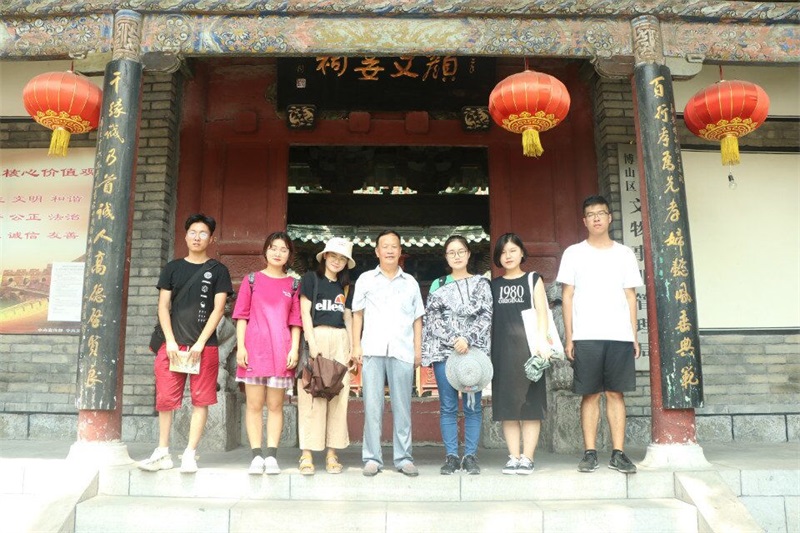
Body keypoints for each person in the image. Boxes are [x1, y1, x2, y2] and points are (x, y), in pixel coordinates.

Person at [138, 213, 233, 473]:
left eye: (203, 233)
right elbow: (163, 306)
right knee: (165, 399)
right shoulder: (172, 268)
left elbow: (218, 309)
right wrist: (170, 341)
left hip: (205, 346)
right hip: (172, 345)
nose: (197, 237)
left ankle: (190, 453)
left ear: (211, 239)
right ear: (185, 235)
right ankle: (162, 452)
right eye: (193, 232)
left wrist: (200, 343)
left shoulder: (218, 271)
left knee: (201, 400)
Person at [556, 195, 642, 475]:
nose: (596, 218)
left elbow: (631, 296)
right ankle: (590, 452)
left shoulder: (624, 254)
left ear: (609, 218)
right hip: (586, 334)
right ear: (584, 221)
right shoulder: (573, 253)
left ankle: (618, 453)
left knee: (616, 393)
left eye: (601, 213)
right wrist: (569, 337)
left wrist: (634, 335)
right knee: (590, 394)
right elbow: (567, 296)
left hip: (619, 334)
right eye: (591, 214)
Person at [351, 229, 424, 477]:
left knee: (402, 407)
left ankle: (404, 458)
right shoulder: (365, 280)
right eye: (385, 246)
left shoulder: (411, 282)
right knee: (372, 407)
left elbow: (417, 319)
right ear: (377, 251)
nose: (390, 250)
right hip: (372, 349)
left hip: (402, 350)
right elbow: (357, 314)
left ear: (400, 251)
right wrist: (356, 345)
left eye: (394, 246)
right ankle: (372, 458)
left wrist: (417, 349)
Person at [422, 235, 493, 475]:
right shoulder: (438, 284)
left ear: (469, 254)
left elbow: (486, 315)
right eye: (451, 252)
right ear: (446, 257)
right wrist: (455, 340)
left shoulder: (481, 284)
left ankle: (470, 456)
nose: (457, 256)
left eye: (461, 251)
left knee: (472, 406)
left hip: (473, 354)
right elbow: (432, 319)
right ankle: (451, 456)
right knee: (448, 406)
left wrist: (468, 340)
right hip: (445, 352)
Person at [233, 231, 302, 475]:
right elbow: (241, 316)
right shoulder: (251, 280)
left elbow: (296, 321)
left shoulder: (293, 284)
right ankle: (256, 456)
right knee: (253, 405)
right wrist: (241, 347)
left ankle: (271, 456)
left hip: (281, 351)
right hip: (254, 350)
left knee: (275, 405)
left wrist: (294, 349)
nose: (277, 253)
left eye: (283, 249)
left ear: (289, 254)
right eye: (273, 248)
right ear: (266, 250)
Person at [490, 233, 551, 475]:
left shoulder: (533, 279)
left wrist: (542, 343)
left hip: (529, 351)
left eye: (513, 250)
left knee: (531, 406)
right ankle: (513, 457)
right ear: (498, 257)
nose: (508, 256)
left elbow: (542, 312)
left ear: (522, 253)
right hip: (502, 353)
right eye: (503, 252)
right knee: (508, 408)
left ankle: (528, 457)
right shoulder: (493, 285)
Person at [297, 237, 356, 475]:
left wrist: (353, 347)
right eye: (333, 256)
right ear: (325, 257)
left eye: (342, 258)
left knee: (338, 396)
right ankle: (307, 454)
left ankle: (332, 453)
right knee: (311, 395)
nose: (337, 261)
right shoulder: (310, 279)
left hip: (340, 340)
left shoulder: (346, 287)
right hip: (317, 337)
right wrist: (311, 342)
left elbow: (348, 317)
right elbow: (304, 312)